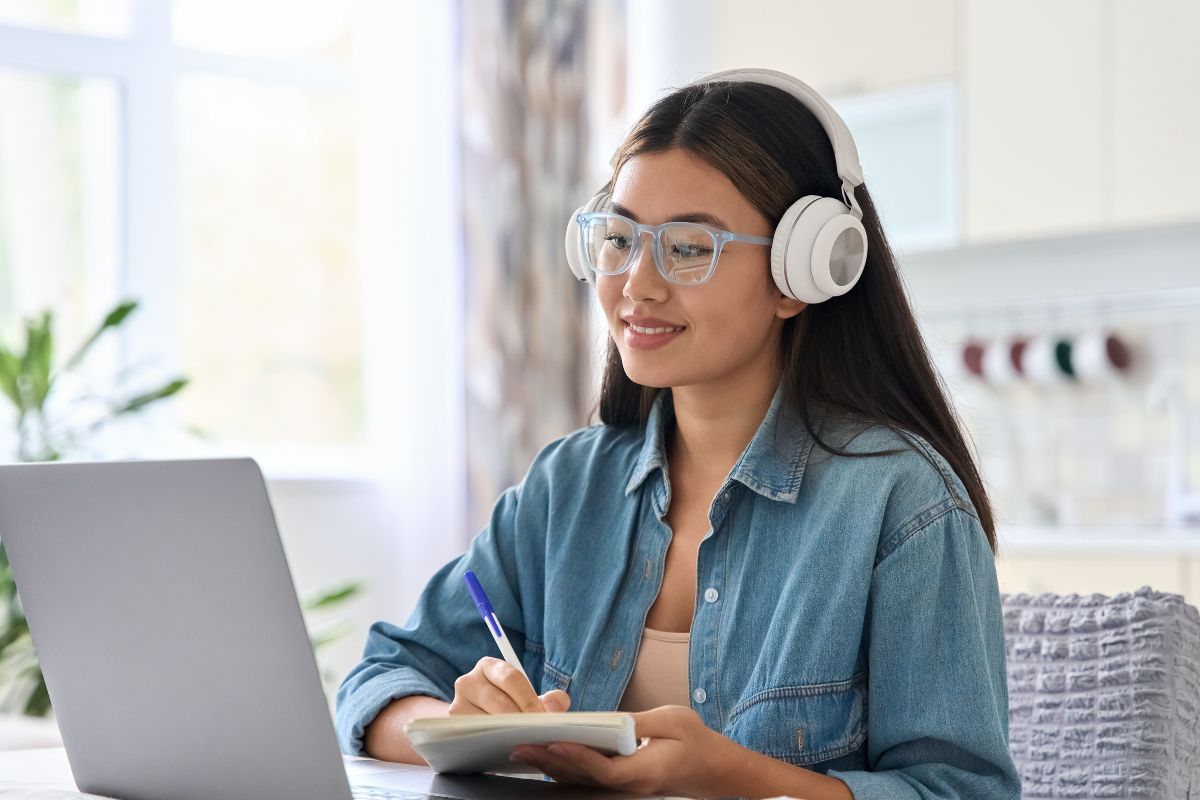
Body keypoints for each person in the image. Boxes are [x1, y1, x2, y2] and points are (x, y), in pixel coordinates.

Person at [335, 68, 1021, 800]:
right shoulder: (567, 488)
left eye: (690, 247)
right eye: (620, 238)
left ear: (804, 272)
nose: (637, 283)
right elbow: (377, 682)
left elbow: (963, 791)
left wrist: (733, 778)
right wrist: (456, 725)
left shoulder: (903, 504)